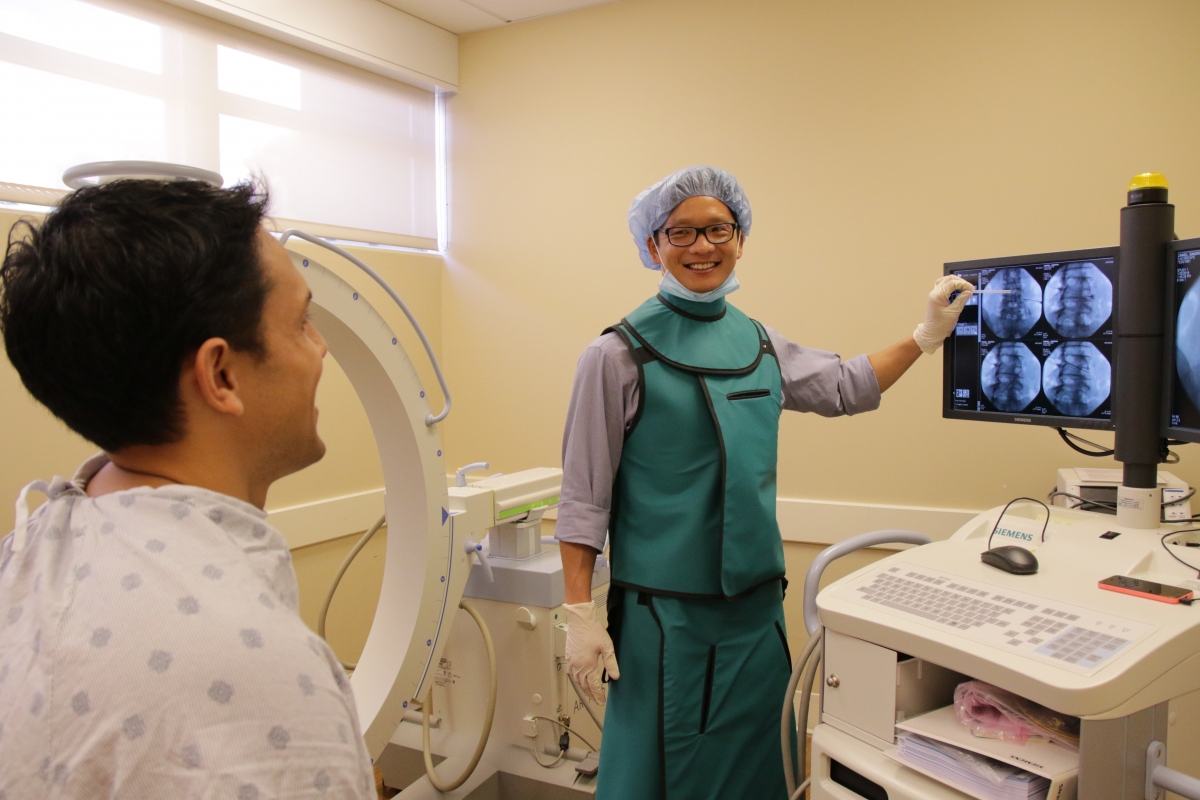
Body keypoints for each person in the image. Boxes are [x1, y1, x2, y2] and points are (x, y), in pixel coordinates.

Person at [555, 165, 973, 800]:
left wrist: (925, 337)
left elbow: (845, 386)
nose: (703, 246)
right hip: (667, 621)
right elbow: (584, 499)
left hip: (755, 617)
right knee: (660, 778)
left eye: (718, 229)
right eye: (682, 232)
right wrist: (580, 613)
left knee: (760, 770)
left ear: (741, 237)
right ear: (653, 246)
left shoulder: (757, 343)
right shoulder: (616, 355)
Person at [0, 180, 376, 798]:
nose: (321, 346)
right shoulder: (262, 683)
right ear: (221, 374)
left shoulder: (33, 554)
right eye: (302, 322)